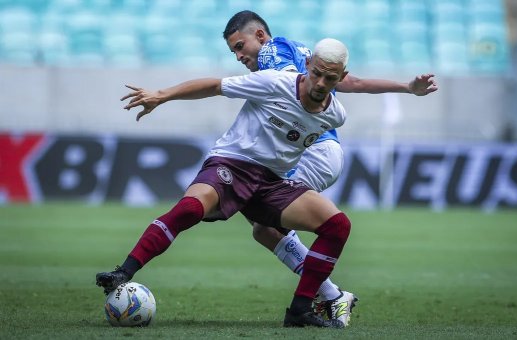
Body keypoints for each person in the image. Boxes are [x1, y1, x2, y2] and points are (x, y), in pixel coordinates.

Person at [97, 38, 353, 328]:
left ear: (341, 78)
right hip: (232, 164)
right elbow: (215, 86)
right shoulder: (275, 82)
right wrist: (162, 95)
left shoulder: (335, 115)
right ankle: (124, 272)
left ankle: (300, 310)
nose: (320, 82)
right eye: (316, 72)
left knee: (337, 226)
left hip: (272, 184)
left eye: (330, 78)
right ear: (307, 65)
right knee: (191, 208)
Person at [221, 10, 439, 325]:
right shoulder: (303, 53)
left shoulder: (272, 55)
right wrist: (406, 87)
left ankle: (333, 297)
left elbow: (288, 100)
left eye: (240, 46)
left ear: (259, 36)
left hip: (313, 150)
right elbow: (356, 82)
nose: (239, 56)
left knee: (262, 216)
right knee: (263, 228)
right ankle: (331, 295)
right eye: (234, 52)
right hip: (322, 151)